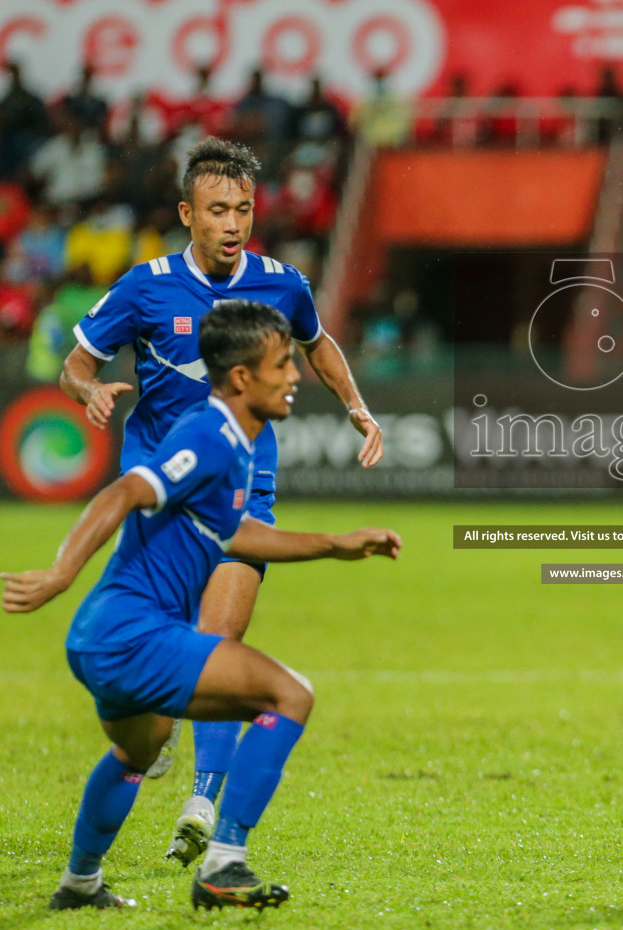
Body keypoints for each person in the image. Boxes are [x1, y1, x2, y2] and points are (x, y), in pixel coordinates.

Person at [3, 300, 403, 910]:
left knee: (137, 749)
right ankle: (225, 864)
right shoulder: (209, 435)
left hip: (101, 637)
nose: (295, 376)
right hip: (134, 635)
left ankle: (80, 883)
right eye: (282, 366)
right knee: (290, 695)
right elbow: (128, 489)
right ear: (241, 377)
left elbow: (234, 532)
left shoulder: (236, 443)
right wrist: (61, 573)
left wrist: (333, 544)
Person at [59, 137, 384, 866]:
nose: (232, 223)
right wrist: (91, 390)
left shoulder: (281, 283)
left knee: (222, 641)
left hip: (241, 494)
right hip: (162, 505)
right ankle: (118, 808)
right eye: (217, 210)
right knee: (151, 710)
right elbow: (76, 362)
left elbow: (319, 343)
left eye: (242, 208)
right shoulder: (146, 287)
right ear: (188, 213)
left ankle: (204, 806)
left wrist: (358, 407)